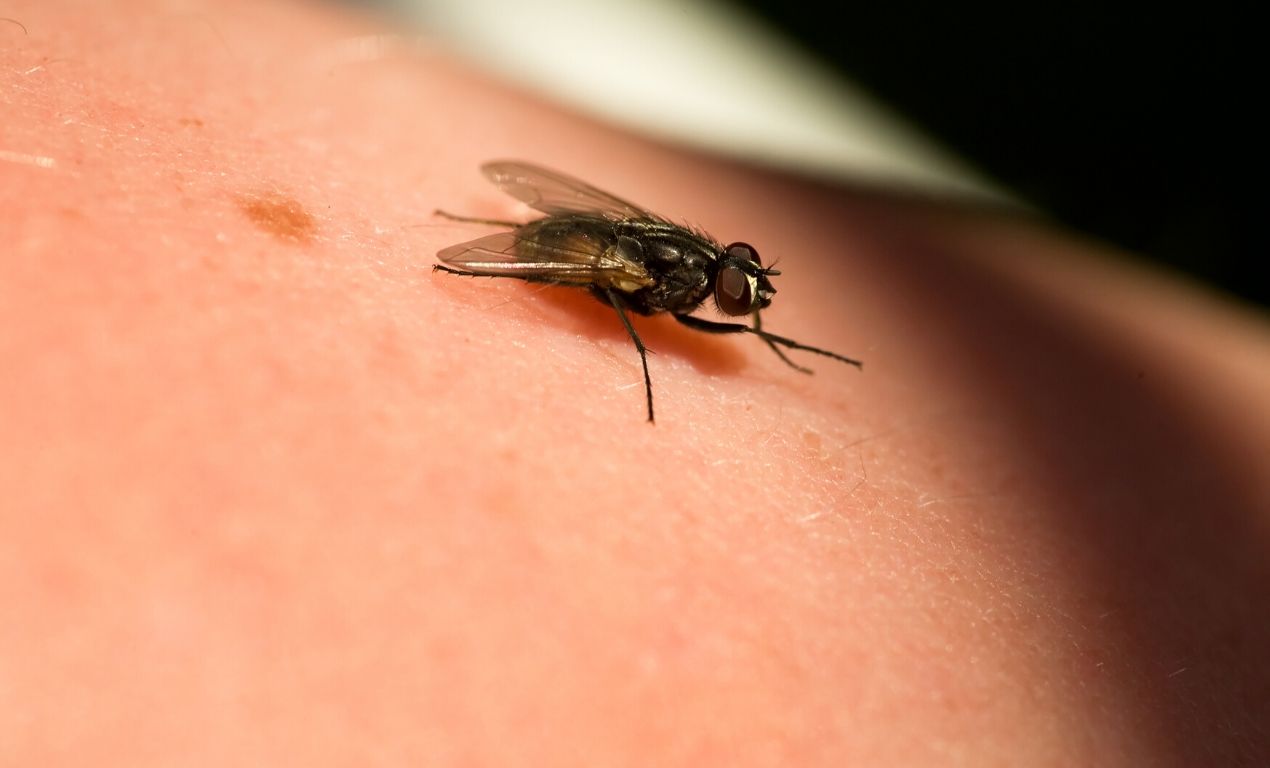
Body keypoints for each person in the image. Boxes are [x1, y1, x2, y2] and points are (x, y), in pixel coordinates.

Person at [3, 1, 1267, 764]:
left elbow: (625, 218)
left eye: (742, 289)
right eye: (740, 290)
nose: (742, 295)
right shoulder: (657, 271)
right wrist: (547, 281)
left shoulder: (703, 258)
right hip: (578, 231)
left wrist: (758, 329)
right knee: (583, 271)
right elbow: (582, 233)